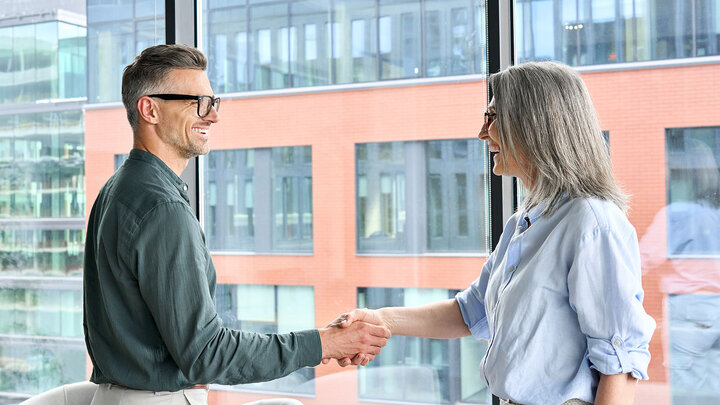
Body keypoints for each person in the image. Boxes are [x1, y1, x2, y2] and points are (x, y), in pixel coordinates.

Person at [331, 61, 656, 405]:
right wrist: (379, 319)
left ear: (534, 123)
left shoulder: (591, 223)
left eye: (493, 117)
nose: (482, 133)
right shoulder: (526, 222)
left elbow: (620, 365)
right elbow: (470, 312)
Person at [83, 44, 390, 405]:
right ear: (149, 109)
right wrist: (324, 343)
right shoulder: (162, 207)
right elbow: (205, 353)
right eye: (198, 103)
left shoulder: (118, 188)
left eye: (213, 102)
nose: (212, 117)